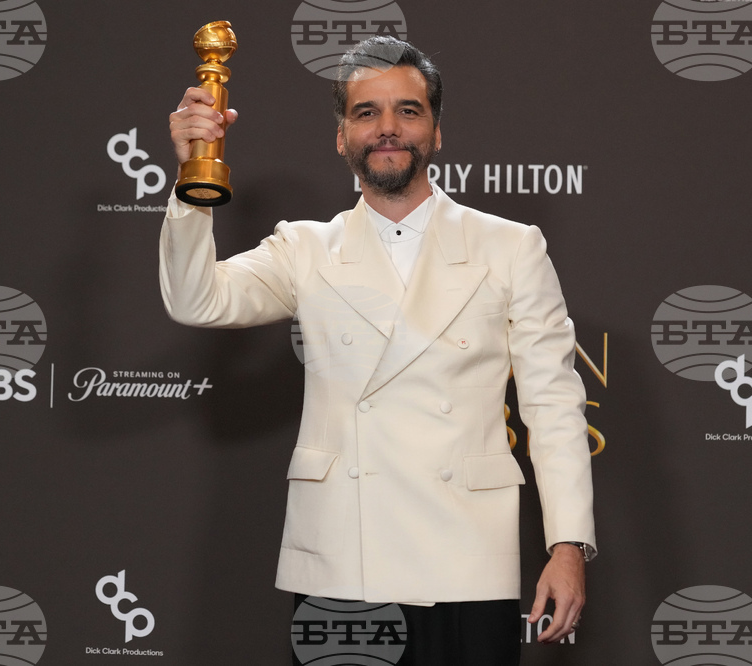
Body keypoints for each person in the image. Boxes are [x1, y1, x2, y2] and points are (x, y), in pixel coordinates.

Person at [161, 36, 596, 666]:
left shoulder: (511, 247)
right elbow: (197, 300)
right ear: (341, 136)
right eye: (366, 113)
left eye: (407, 111)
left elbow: (554, 408)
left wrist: (568, 545)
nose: (387, 128)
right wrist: (192, 176)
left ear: (436, 132)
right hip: (342, 562)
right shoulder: (304, 248)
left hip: (468, 561)